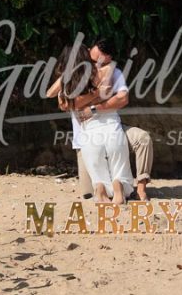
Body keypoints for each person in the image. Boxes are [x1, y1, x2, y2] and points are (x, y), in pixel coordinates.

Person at [50, 38, 154, 201]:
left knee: (142, 139)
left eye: (100, 62)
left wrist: (92, 108)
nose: (95, 65)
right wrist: (97, 93)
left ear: (109, 59)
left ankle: (139, 189)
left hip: (92, 130)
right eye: (92, 60)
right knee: (89, 192)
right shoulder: (86, 73)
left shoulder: (102, 73)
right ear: (87, 53)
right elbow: (63, 103)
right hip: (98, 131)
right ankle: (120, 185)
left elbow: (123, 99)